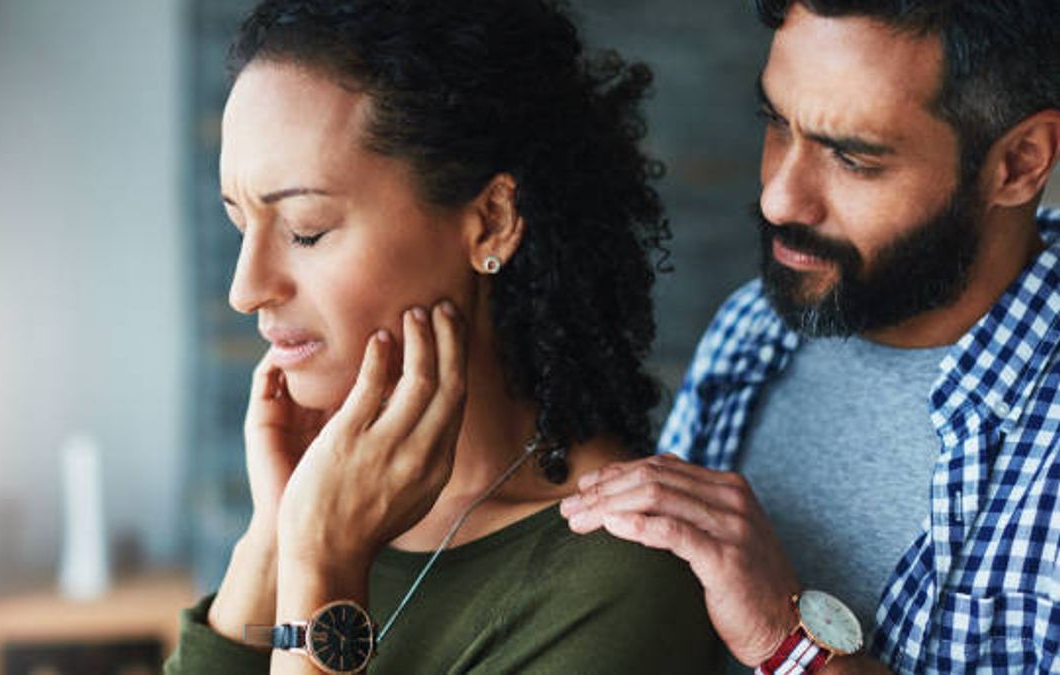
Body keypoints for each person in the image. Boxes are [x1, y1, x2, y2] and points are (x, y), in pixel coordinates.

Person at [164, 1, 722, 673]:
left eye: (305, 229)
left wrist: (322, 567)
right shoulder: (322, 515)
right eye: (239, 223)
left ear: (489, 221)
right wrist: (271, 542)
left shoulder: (612, 581)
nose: (246, 287)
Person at [562, 0, 1060, 673]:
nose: (779, 200)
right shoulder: (754, 328)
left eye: (854, 158)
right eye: (776, 123)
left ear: (1019, 163)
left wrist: (790, 645)